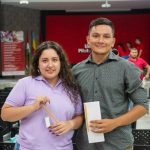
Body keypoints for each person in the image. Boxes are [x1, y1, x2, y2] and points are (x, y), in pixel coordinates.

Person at [72, 17, 148, 150]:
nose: (100, 40)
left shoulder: (127, 69)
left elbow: (143, 106)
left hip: (118, 144)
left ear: (113, 41)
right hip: (85, 145)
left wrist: (114, 123)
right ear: (88, 39)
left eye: (106, 36)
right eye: (95, 36)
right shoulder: (76, 71)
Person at [1, 41, 83, 150]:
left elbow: (79, 117)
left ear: (61, 63)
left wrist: (71, 124)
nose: (50, 65)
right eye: (44, 60)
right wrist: (33, 107)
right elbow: (5, 114)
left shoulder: (72, 87)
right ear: (38, 64)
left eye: (54, 60)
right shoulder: (25, 83)